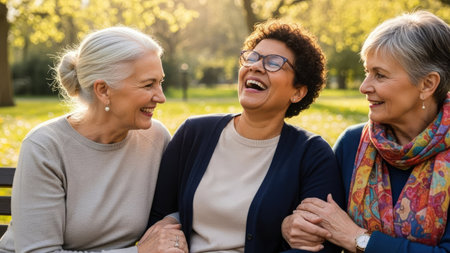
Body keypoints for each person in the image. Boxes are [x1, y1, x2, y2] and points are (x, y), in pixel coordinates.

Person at [148, 20, 344, 253]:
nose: (256, 67)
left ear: (298, 91)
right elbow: (158, 220)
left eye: (274, 63)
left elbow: (322, 244)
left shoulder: (311, 153)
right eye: (252, 58)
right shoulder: (194, 133)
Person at [0, 26, 188, 253]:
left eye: (160, 82)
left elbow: (177, 208)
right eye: (148, 84)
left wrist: (169, 223)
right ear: (103, 90)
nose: (161, 97)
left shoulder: (155, 138)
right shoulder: (45, 147)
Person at [281, 10, 450, 253]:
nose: (364, 87)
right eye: (366, 72)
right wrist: (291, 226)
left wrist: (358, 238)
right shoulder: (353, 143)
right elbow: (321, 233)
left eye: (379, 75)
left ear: (427, 84)